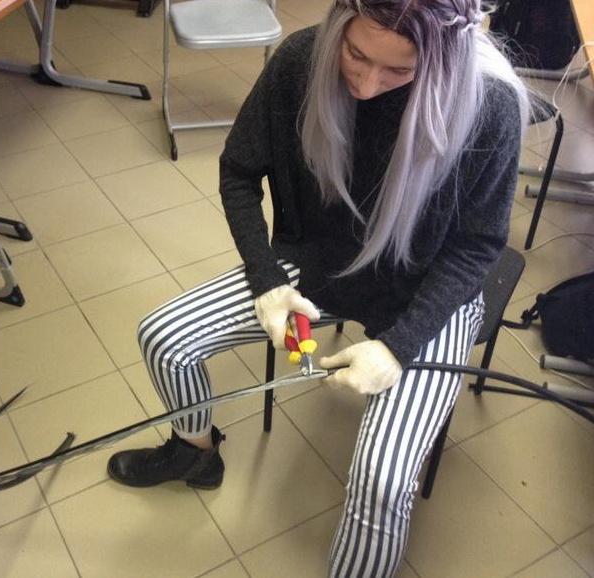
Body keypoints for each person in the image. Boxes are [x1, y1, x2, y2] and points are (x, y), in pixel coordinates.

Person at [107, 0, 528, 575]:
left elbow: (477, 247)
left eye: (400, 71)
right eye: (356, 54)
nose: (366, 85)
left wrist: (399, 346)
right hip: (319, 263)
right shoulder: (302, 60)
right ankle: (194, 452)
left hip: (430, 291)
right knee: (164, 337)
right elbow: (238, 171)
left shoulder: (488, 104)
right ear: (339, 21)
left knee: (381, 482)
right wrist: (267, 282)